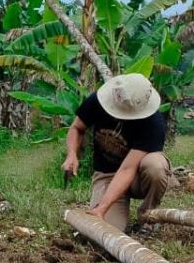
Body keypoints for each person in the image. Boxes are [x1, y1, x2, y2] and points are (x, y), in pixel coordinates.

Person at [61, 73, 171, 231]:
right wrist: (72, 154)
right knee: (104, 230)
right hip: (107, 175)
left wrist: (102, 208)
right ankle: (110, 209)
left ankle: (148, 216)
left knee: (156, 166)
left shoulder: (153, 123)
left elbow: (127, 169)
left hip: (136, 175)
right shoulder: (97, 101)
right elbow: (77, 128)